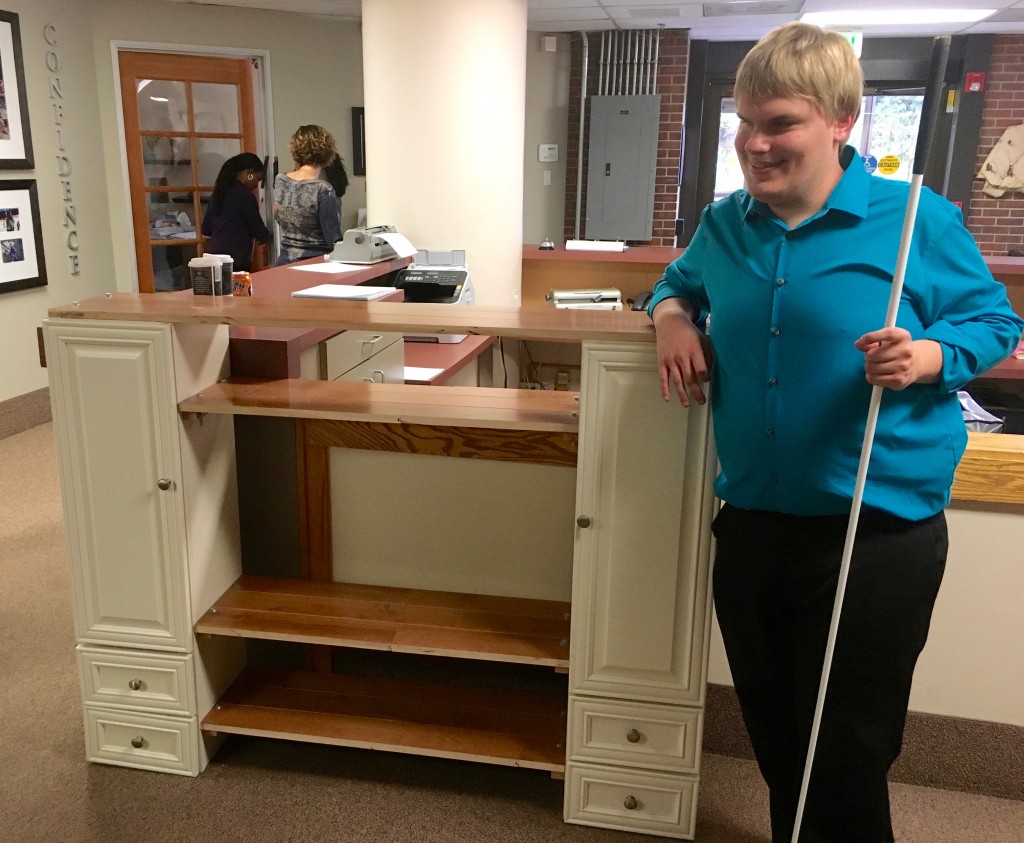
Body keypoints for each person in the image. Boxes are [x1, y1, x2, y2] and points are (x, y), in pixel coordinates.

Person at [648, 22, 1023, 843]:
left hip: (874, 533)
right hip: (752, 527)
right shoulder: (725, 225)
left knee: (847, 750)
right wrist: (672, 316)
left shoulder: (915, 218)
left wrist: (928, 354)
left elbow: (995, 321)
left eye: (778, 122)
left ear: (842, 121)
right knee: (781, 741)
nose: (753, 142)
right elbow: (672, 285)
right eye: (743, 122)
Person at [273, 125, 342, 265]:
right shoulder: (323, 189)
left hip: (284, 261)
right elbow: (333, 238)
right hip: (315, 265)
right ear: (328, 152)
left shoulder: (280, 180)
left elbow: (280, 215)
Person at [201, 152, 270, 272]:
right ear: (249, 173)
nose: (256, 186)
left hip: (212, 258)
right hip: (235, 260)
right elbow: (259, 231)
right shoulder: (245, 196)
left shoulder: (218, 194)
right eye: (257, 179)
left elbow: (206, 229)